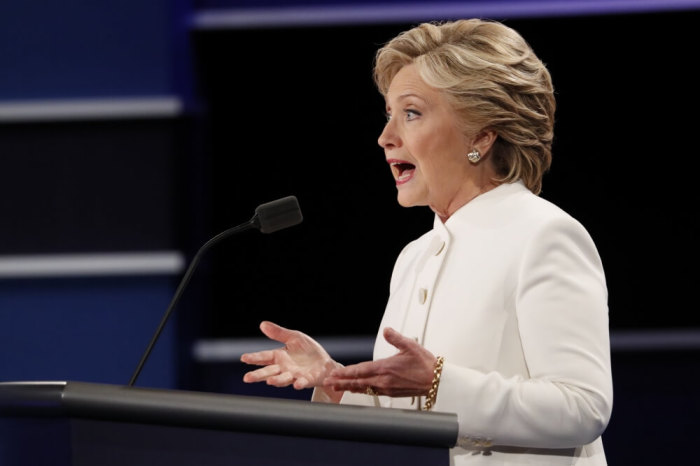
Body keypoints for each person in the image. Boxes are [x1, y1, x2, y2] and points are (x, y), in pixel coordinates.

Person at [240, 18, 613, 465]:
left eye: (411, 113)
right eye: (389, 115)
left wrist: (438, 380)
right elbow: (413, 412)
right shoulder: (414, 258)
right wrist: (338, 382)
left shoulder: (544, 235)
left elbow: (583, 406)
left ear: (480, 134)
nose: (385, 138)